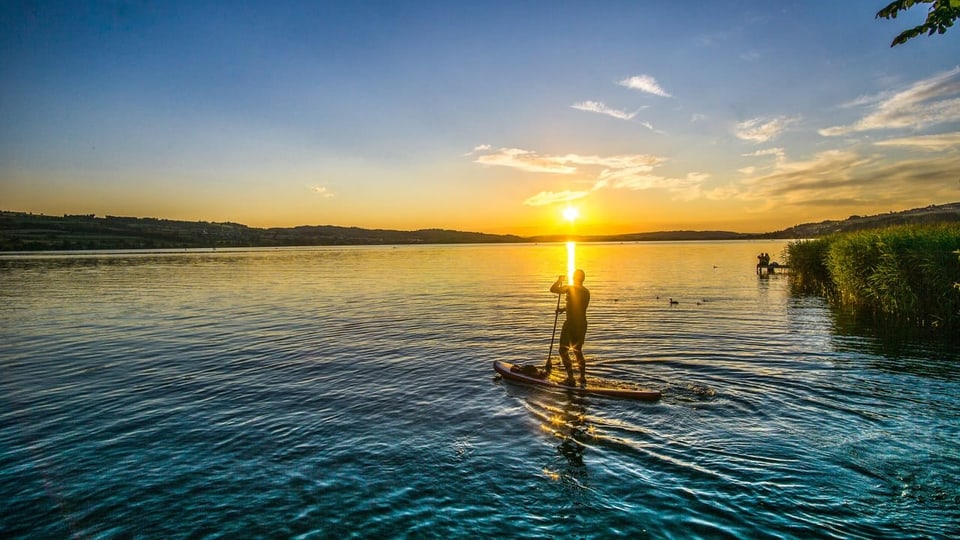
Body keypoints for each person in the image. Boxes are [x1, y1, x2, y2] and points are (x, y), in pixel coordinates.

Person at [549, 269, 590, 387]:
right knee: (577, 351)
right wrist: (564, 309)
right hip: (582, 323)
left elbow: (553, 289)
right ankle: (582, 377)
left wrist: (559, 280)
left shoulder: (570, 288)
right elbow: (578, 307)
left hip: (571, 323)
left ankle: (571, 378)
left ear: (575, 278)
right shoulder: (586, 291)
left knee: (563, 350)